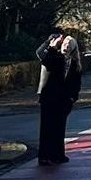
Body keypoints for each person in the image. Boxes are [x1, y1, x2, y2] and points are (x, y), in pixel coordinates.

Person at [36, 26, 84, 166]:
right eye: (65, 43)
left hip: (63, 101)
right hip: (49, 98)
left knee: (59, 128)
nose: (66, 46)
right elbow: (43, 57)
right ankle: (45, 156)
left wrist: (72, 98)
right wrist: (50, 44)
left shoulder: (75, 64)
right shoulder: (55, 56)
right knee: (47, 128)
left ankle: (58, 155)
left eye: (70, 45)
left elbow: (76, 83)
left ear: (73, 48)